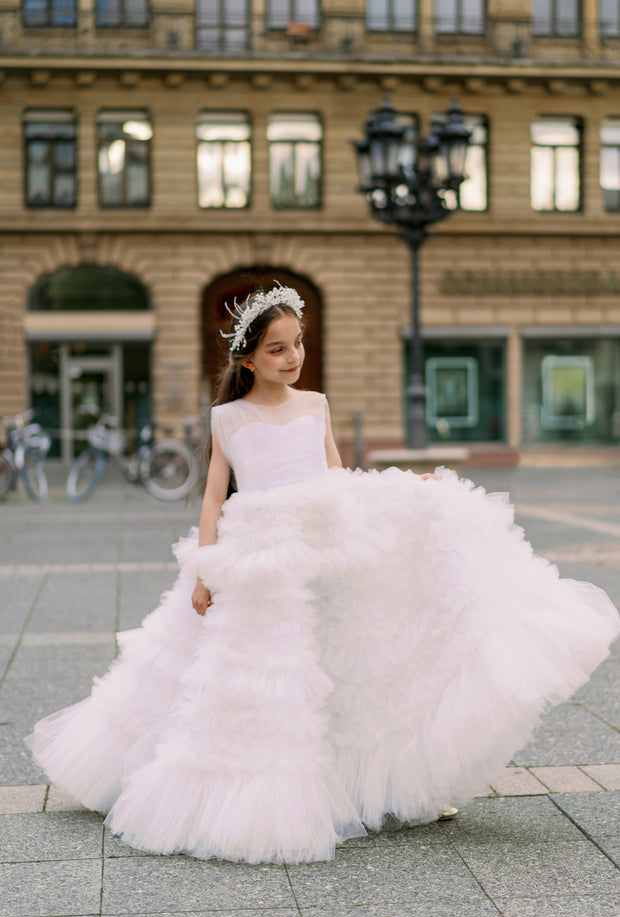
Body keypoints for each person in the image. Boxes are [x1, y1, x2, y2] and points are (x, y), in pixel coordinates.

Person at [26, 282, 620, 865]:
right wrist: (206, 572)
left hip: (328, 542)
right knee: (260, 677)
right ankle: (243, 786)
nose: (293, 358)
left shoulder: (316, 406)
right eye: (278, 349)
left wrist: (409, 490)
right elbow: (213, 500)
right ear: (248, 359)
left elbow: (340, 480)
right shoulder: (226, 418)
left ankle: (387, 783)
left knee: (350, 663)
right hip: (262, 553)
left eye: (298, 344)